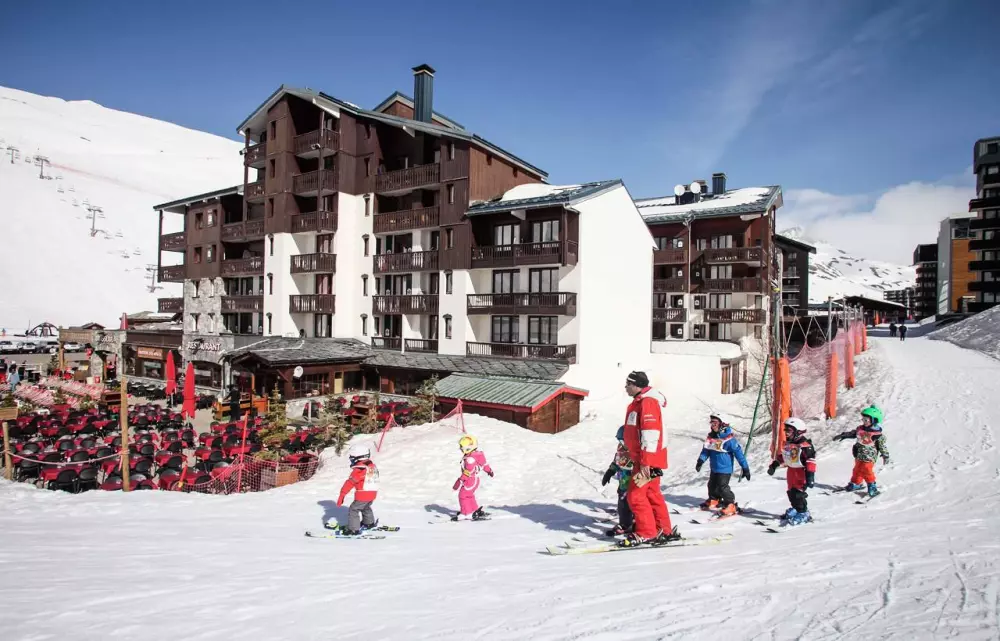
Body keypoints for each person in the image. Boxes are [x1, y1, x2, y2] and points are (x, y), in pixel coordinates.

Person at [621, 370, 679, 546]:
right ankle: (664, 529)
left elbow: (650, 433)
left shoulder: (647, 402)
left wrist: (646, 460)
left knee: (635, 496)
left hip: (647, 459)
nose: (625, 387)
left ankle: (647, 532)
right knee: (652, 494)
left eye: (628, 384)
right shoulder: (641, 401)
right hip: (647, 458)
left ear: (636, 385)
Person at [695, 414, 750, 516]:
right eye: (711, 423)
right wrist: (700, 461)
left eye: (715, 423)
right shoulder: (711, 438)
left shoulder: (729, 440)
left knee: (722, 487)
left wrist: (745, 467)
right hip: (714, 467)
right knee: (711, 484)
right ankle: (714, 499)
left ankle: (730, 504)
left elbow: (739, 454)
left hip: (725, 469)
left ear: (723, 424)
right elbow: (706, 450)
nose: (712, 425)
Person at [767, 417, 816, 526]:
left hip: (801, 473)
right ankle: (796, 508)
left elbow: (810, 461)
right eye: (785, 430)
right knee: (791, 493)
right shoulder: (790, 444)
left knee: (798, 494)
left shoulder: (805, 446)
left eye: (788, 431)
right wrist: (774, 465)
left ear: (798, 432)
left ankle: (803, 512)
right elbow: (783, 456)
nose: (786, 433)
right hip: (791, 472)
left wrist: (810, 476)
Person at [833, 405, 889, 497]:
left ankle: (872, 486)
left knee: (867, 470)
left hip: (869, 456)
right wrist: (844, 435)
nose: (864, 421)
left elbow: (882, 446)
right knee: (857, 469)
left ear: (874, 420)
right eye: (863, 419)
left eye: (866, 420)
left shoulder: (877, 435)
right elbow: (853, 433)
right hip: (858, 454)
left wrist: (885, 455)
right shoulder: (860, 429)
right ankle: (856, 483)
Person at [335, 444, 379, 535]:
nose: (351, 459)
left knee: (353, 509)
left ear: (358, 457)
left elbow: (350, 483)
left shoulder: (358, 469)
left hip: (363, 494)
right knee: (366, 507)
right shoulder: (371, 466)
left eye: (352, 457)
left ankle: (353, 529)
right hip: (372, 494)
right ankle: (369, 523)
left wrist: (342, 494)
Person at [601, 426, 634, 536]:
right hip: (623, 482)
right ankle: (625, 524)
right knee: (622, 502)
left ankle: (634, 523)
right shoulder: (621, 447)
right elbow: (617, 460)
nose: (621, 442)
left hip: (634, 482)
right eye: (619, 440)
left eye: (622, 440)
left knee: (632, 503)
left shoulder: (635, 449)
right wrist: (610, 471)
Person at [452, 434, 493, 521]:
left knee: (462, 495)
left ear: (467, 448)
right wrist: (489, 470)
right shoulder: (475, 455)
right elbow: (484, 464)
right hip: (475, 480)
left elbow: (468, 472)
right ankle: (474, 510)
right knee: (469, 495)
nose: (460, 448)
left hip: (470, 480)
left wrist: (460, 480)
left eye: (461, 446)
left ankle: (466, 513)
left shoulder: (470, 459)